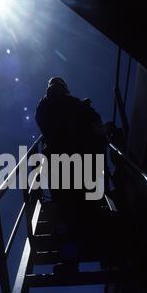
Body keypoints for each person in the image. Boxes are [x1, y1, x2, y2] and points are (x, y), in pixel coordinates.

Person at [35, 77, 114, 276]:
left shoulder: (45, 106)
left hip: (59, 165)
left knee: (66, 214)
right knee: (90, 208)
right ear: (65, 88)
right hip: (83, 162)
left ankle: (70, 262)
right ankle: (107, 253)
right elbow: (96, 126)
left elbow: (43, 124)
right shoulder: (77, 104)